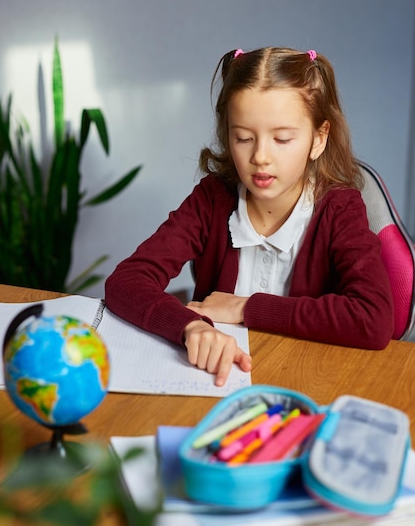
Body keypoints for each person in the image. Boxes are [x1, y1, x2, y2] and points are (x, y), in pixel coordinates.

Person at [105, 47, 394, 387]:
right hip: (218, 384)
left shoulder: (340, 209)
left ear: (318, 139)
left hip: (308, 381)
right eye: (243, 138)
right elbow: (125, 281)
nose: (260, 157)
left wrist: (245, 309)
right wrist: (190, 327)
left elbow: (373, 320)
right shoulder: (211, 200)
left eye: (282, 139)